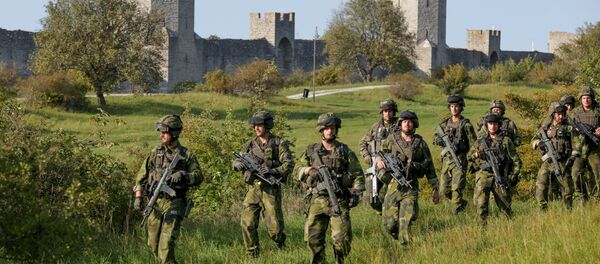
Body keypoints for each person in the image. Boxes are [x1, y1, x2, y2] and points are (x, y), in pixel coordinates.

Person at [295, 113, 364, 264]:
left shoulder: (345, 151)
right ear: (321, 130)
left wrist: (356, 193)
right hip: (317, 200)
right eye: (327, 128)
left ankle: (339, 260)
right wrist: (308, 170)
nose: (330, 131)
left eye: (333, 128)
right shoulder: (311, 151)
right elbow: (297, 169)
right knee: (312, 239)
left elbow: (358, 174)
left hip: (338, 199)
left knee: (342, 240)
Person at [133, 115, 203, 264]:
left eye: (165, 132)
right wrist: (138, 197)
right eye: (161, 132)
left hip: (175, 202)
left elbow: (198, 177)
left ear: (174, 133)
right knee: (152, 245)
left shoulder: (186, 155)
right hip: (156, 202)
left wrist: (183, 175)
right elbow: (141, 176)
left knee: (165, 247)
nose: (161, 135)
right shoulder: (155, 152)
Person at [232, 111, 294, 257]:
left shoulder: (279, 143)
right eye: (255, 125)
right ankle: (252, 253)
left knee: (275, 229)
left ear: (267, 125)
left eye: (259, 125)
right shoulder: (249, 144)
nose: (256, 128)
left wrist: (272, 170)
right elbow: (238, 159)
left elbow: (289, 165)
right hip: (253, 189)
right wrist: (237, 165)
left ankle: (280, 243)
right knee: (247, 223)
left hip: (270, 189)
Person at [376, 110, 440, 245]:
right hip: (393, 185)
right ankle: (397, 236)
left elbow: (429, 167)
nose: (407, 124)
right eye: (404, 121)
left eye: (410, 122)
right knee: (389, 225)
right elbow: (379, 153)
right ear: (400, 123)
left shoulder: (420, 144)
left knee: (405, 222)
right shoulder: (391, 140)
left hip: (410, 186)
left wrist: (435, 188)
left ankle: (405, 248)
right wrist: (378, 161)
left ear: (414, 124)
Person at [469, 113, 521, 224]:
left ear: (499, 125)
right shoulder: (480, 141)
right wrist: (477, 154)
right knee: (481, 204)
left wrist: (515, 174)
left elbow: (515, 159)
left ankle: (511, 227)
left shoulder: (506, 140)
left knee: (505, 205)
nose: (493, 126)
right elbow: (469, 156)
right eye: (490, 124)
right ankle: (482, 228)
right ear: (486, 125)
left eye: (495, 124)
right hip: (484, 175)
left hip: (500, 175)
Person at [433, 95, 476, 214]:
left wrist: (472, 159)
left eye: (457, 106)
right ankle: (462, 204)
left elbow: (474, 144)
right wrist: (440, 140)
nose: (454, 109)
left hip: (460, 160)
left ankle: (455, 215)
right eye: (452, 106)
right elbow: (435, 136)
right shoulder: (445, 124)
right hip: (447, 161)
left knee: (456, 189)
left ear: (461, 107)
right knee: (444, 190)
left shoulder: (465, 125)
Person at [531, 103, 576, 210]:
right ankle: (543, 209)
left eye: (563, 114)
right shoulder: (545, 128)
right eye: (559, 114)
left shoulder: (569, 128)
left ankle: (568, 210)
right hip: (547, 161)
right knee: (541, 185)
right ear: (553, 114)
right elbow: (533, 140)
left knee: (567, 188)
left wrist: (572, 158)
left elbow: (576, 144)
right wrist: (538, 143)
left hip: (562, 161)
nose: (561, 116)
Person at [358, 99, 398, 213]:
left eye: (390, 110)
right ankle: (383, 213)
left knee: (393, 194)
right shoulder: (375, 127)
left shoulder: (400, 126)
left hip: (393, 167)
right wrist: (367, 156)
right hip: (375, 165)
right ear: (382, 112)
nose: (387, 113)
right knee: (372, 199)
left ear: (394, 111)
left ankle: (393, 214)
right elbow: (362, 143)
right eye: (385, 111)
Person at [570, 86, 600, 203]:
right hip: (579, 149)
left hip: (595, 149)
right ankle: (583, 197)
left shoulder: (598, 111)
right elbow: (565, 125)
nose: (586, 100)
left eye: (588, 98)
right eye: (583, 98)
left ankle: (597, 200)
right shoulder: (574, 113)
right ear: (580, 99)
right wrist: (574, 129)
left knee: (598, 174)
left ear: (592, 98)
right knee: (575, 173)